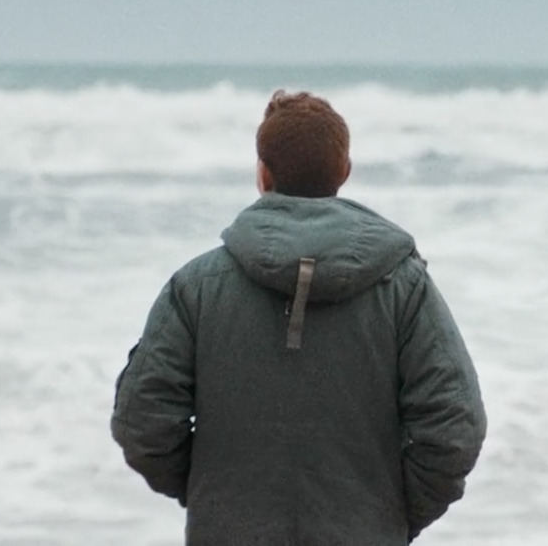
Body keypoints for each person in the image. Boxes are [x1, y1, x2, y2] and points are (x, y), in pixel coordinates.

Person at [112, 90, 486, 544]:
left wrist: (213, 495)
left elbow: (142, 423)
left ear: (262, 174)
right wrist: (391, 514)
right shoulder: (405, 289)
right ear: (344, 172)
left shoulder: (196, 287)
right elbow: (454, 430)